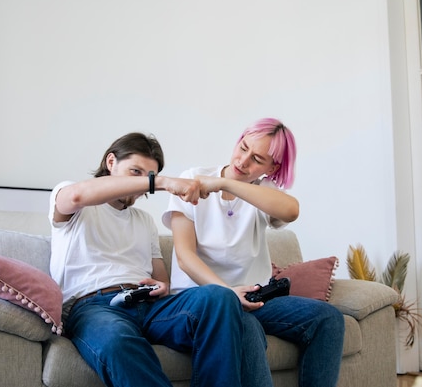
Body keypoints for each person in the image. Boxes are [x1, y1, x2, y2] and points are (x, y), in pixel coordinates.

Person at [48, 132, 263, 387]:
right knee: (117, 340)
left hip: (148, 305)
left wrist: (161, 286)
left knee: (220, 296)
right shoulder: (72, 200)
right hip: (95, 308)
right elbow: (75, 197)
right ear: (110, 162)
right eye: (135, 172)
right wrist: (159, 182)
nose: (142, 184)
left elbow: (162, 279)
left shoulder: (144, 221)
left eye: (148, 175)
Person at [162, 118, 345, 387]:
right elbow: (185, 258)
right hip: (206, 298)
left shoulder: (262, 192)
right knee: (244, 327)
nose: (243, 161)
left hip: (255, 298)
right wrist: (228, 293)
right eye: (243, 147)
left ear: (273, 168)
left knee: (328, 319)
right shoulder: (192, 179)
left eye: (257, 158)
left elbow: (291, 211)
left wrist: (226, 184)